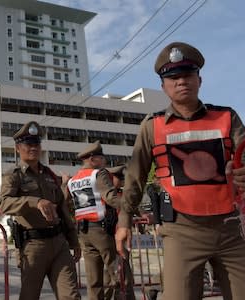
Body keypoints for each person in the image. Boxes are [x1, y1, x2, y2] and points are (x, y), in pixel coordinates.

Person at [115, 41, 245, 300]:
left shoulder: (227, 117)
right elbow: (135, 177)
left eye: (187, 75)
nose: (181, 81)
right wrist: (123, 221)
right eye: (173, 77)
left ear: (200, 79)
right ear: (163, 86)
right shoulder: (152, 126)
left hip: (230, 228)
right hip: (182, 232)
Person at [0, 121, 81, 300]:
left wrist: (73, 240)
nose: (33, 148)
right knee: (30, 296)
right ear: (17, 148)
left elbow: (62, 209)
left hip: (59, 244)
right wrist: (35, 202)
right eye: (28, 144)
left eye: (36, 143)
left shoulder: (49, 174)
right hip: (33, 246)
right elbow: (4, 203)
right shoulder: (14, 175)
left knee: (71, 296)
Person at [64, 141, 120, 300]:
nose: (105, 162)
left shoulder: (72, 180)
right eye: (102, 158)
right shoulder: (98, 173)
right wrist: (130, 208)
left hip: (83, 233)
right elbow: (110, 197)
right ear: (93, 159)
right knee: (117, 273)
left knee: (93, 279)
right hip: (101, 231)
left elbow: (65, 203)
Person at [106, 165, 136, 300]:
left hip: (121, 240)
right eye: (119, 177)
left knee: (124, 275)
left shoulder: (122, 194)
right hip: (107, 240)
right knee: (110, 278)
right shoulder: (104, 195)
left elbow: (132, 208)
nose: (122, 180)